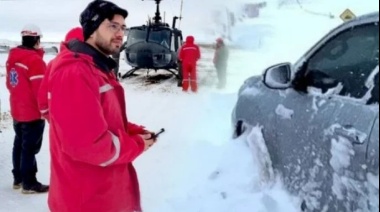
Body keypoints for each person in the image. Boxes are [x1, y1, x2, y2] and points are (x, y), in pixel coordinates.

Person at [47, 1, 156, 211]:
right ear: (91, 29)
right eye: (112, 26)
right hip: (88, 200)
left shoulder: (97, 68)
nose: (120, 33)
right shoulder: (76, 73)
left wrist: (133, 130)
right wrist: (137, 145)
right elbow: (89, 146)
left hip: (105, 193)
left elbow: (102, 118)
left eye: (123, 27)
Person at [5, 24, 49, 194]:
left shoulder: (12, 58)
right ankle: (29, 183)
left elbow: (10, 84)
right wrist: (46, 110)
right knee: (29, 149)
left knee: (19, 144)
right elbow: (41, 91)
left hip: (17, 110)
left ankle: (18, 178)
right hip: (32, 113)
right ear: (37, 40)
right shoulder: (35, 61)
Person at [38, 27, 84, 121]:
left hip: (59, 122)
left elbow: (43, 96)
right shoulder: (89, 66)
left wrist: (50, 117)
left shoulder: (53, 64)